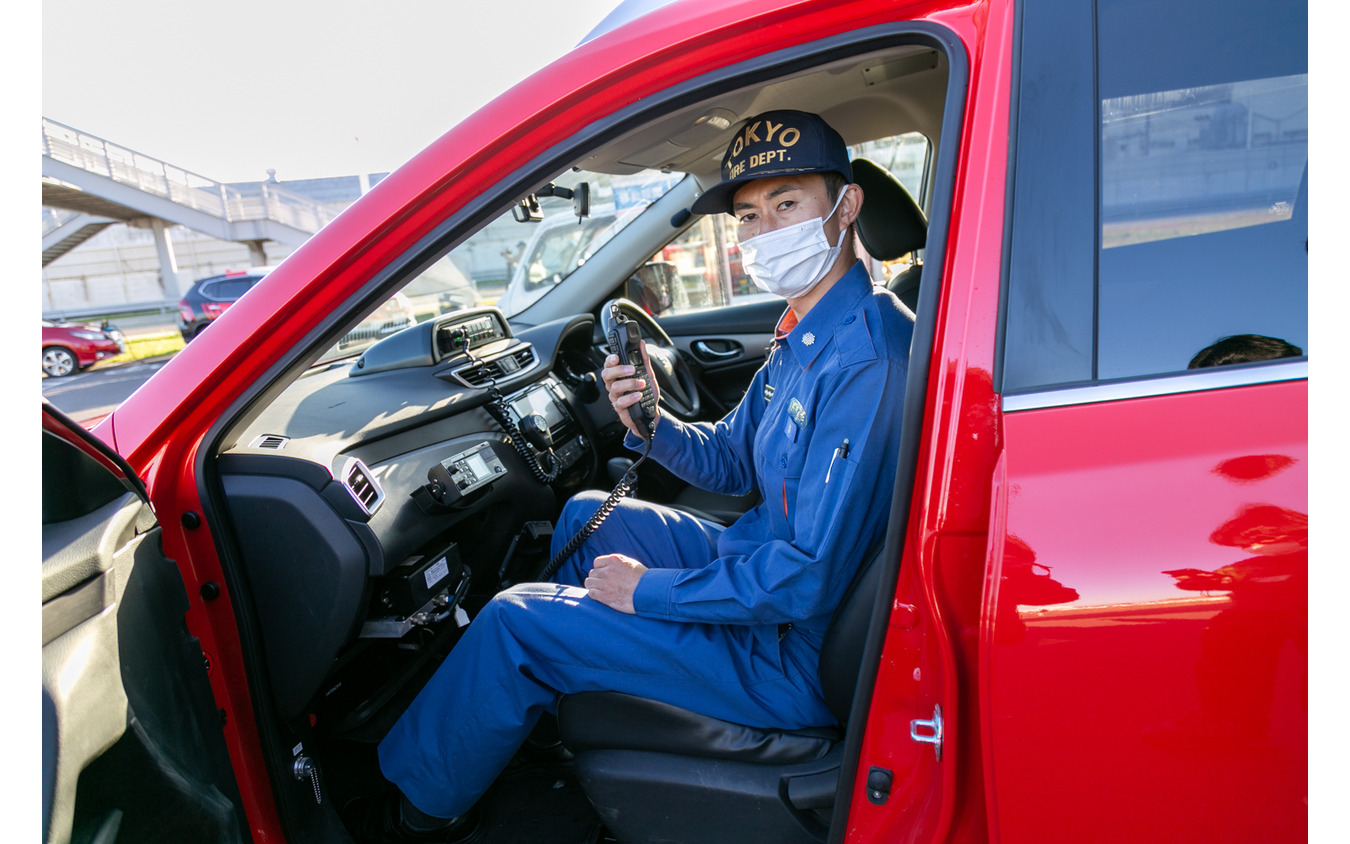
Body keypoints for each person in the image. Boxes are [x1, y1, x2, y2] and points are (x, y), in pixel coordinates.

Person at [372, 110, 914, 841]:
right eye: (749, 215)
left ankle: (419, 814)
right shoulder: (808, 333)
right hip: (764, 574)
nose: (763, 230)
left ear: (845, 206)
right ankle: (544, 701)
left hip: (790, 650)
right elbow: (728, 456)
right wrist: (652, 427)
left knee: (515, 621)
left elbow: (807, 577)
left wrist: (646, 592)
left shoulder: (865, 360)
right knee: (586, 515)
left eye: (787, 203)